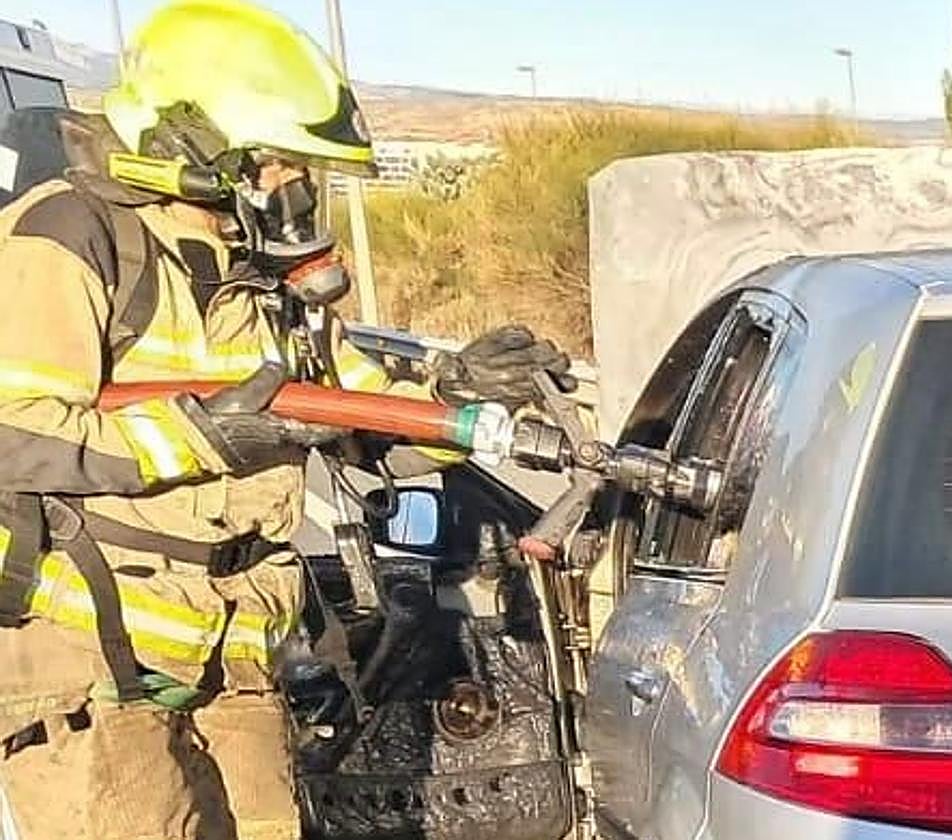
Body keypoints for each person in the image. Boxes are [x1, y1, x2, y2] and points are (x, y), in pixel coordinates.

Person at [0, 2, 571, 838]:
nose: (291, 190)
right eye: (276, 164)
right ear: (193, 145)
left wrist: (458, 397)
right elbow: (16, 431)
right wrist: (200, 437)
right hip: (97, 662)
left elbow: (358, 419)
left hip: (235, 654)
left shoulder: (258, 277)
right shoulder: (66, 238)